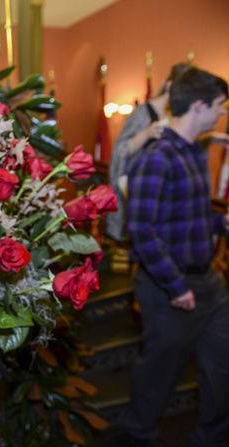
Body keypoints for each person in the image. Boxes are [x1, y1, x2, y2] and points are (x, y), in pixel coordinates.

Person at [124, 67, 229, 446]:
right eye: (219, 106)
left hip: (210, 286)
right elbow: (142, 230)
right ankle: (139, 436)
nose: (221, 114)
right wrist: (175, 286)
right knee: (157, 376)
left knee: (221, 371)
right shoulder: (157, 158)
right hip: (169, 288)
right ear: (198, 105)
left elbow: (190, 216)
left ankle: (211, 439)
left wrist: (221, 224)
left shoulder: (194, 155)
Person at [107, 63, 190, 241]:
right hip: (138, 186)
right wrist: (146, 134)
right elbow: (120, 151)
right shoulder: (142, 113)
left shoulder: (175, 116)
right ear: (169, 86)